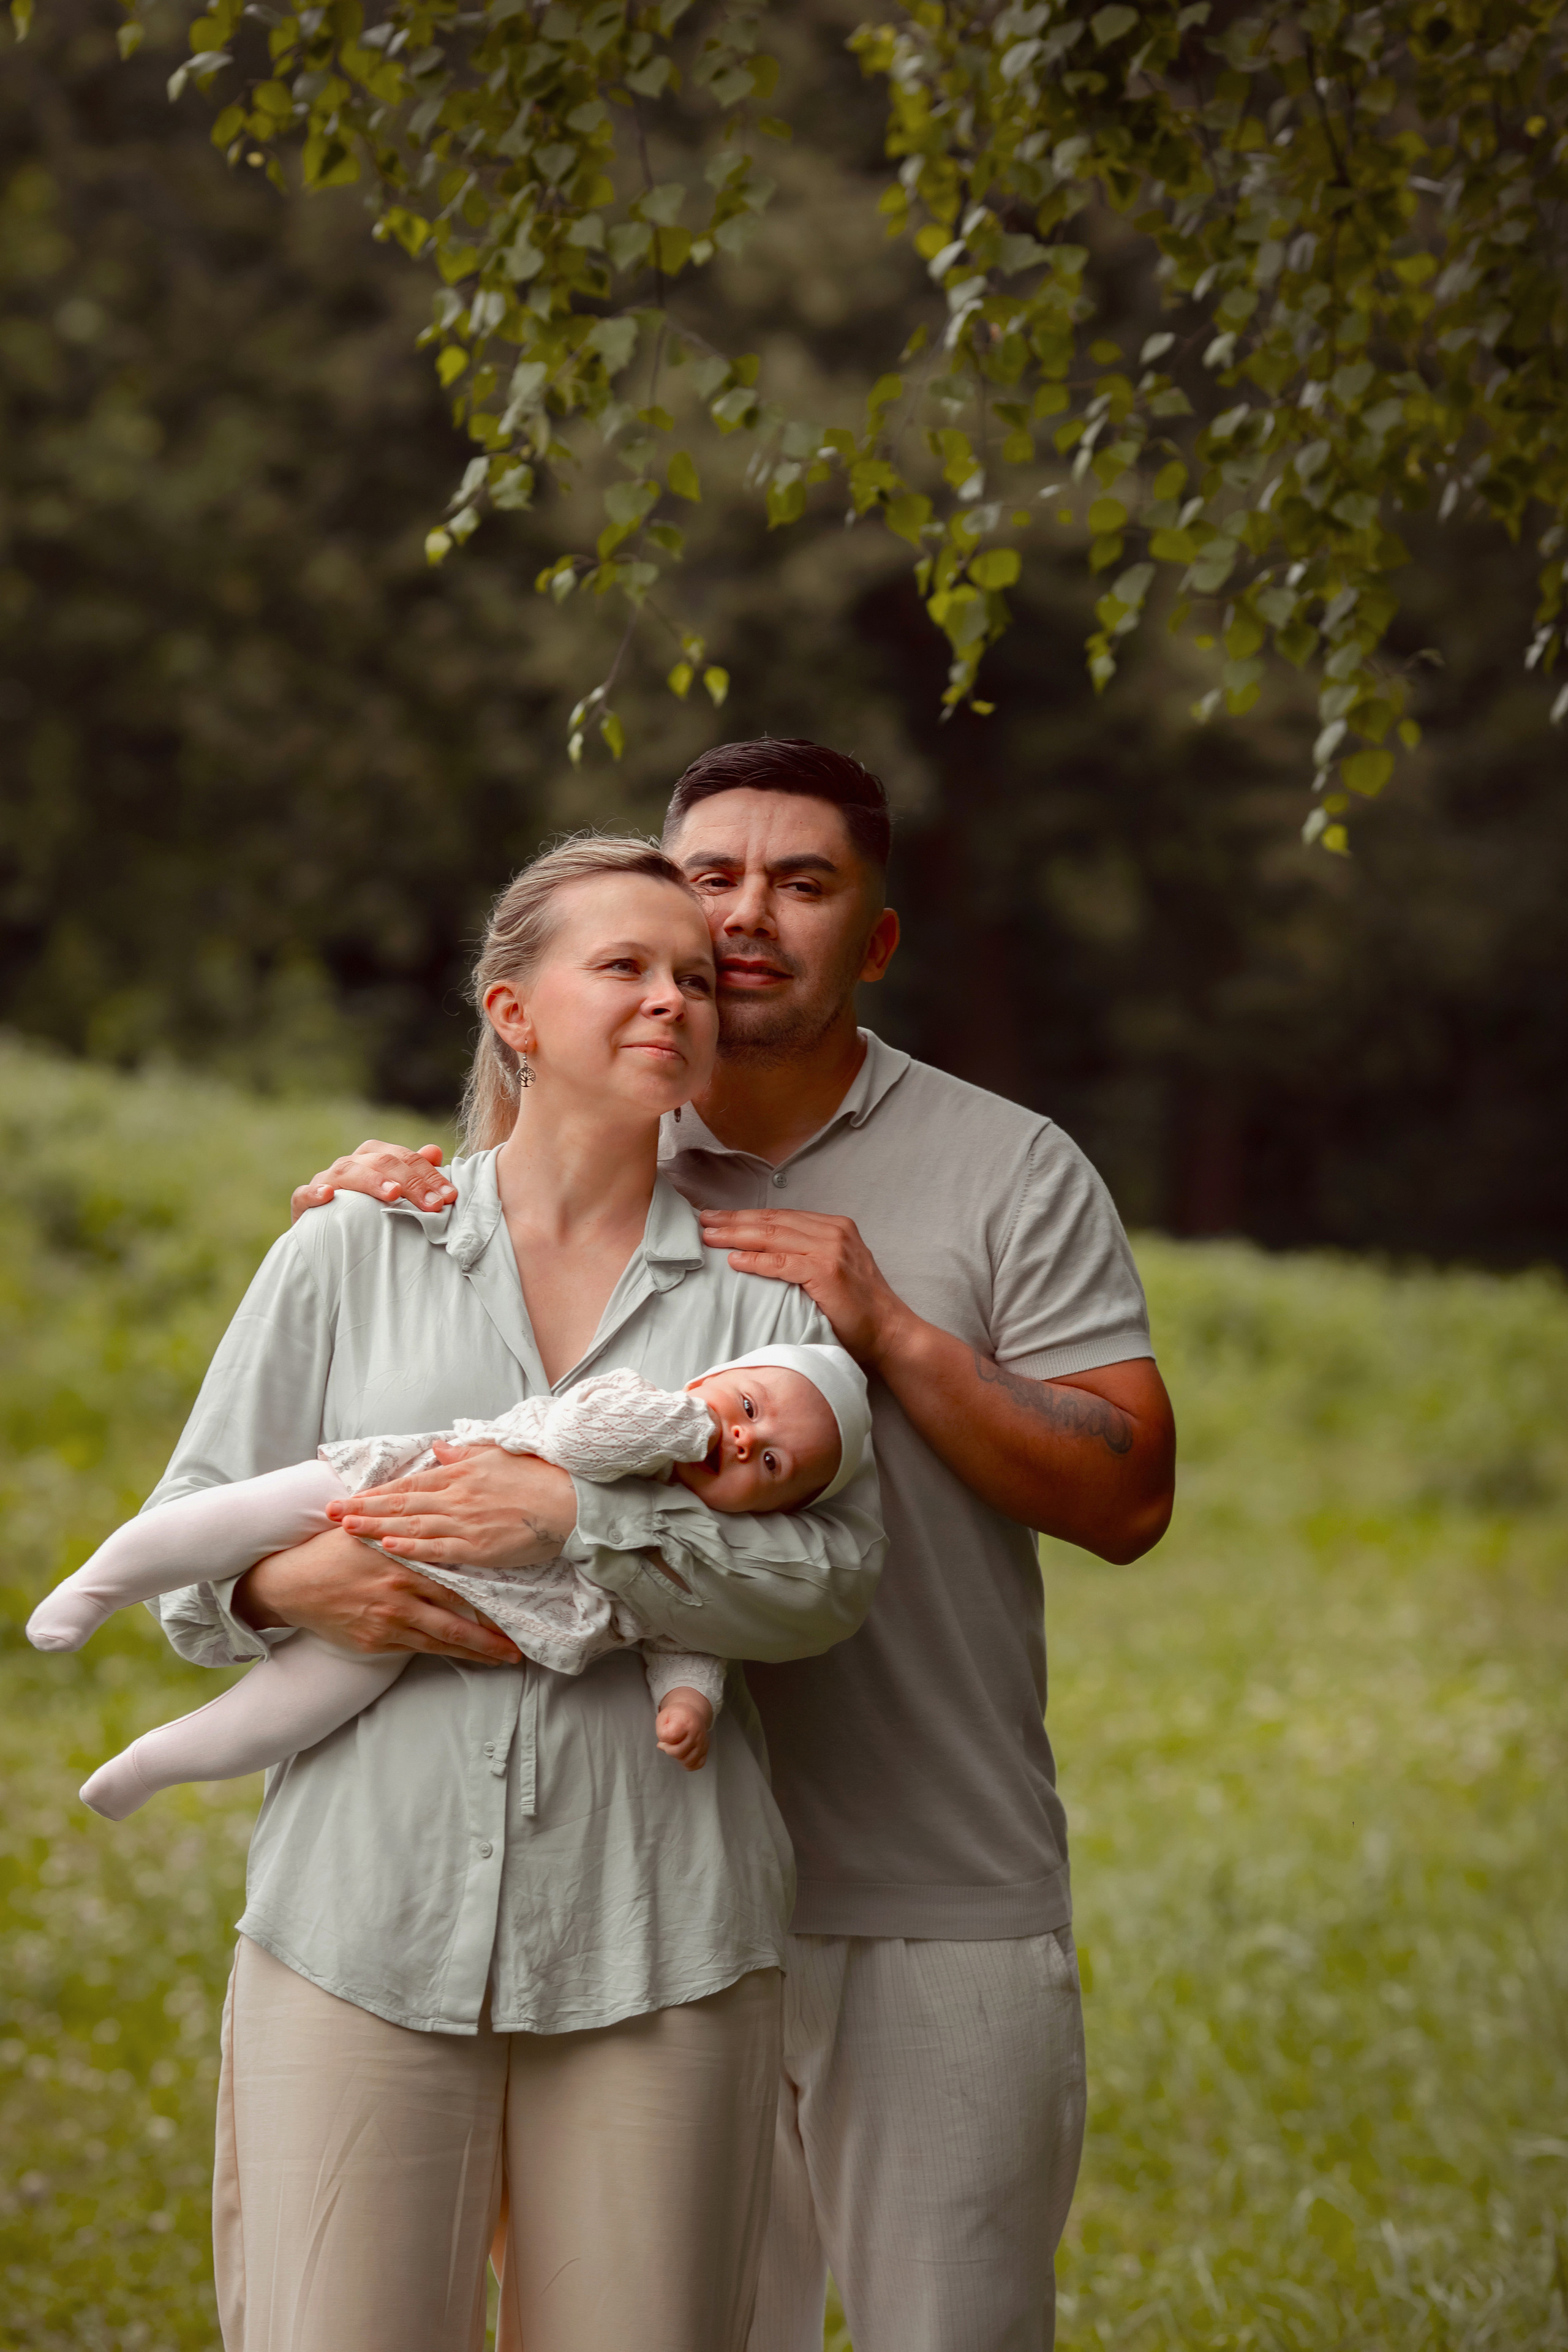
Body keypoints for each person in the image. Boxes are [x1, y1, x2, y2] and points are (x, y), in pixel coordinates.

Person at [288, 742, 1177, 2352]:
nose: (751, 918)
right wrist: (371, 1198)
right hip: (632, 1884)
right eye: (713, 879)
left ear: (877, 939)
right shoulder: (580, 1138)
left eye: (807, 882)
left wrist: (891, 1331)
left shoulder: (1008, 1165)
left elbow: (1127, 1500)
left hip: (928, 1881)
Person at [134, 832, 885, 2352]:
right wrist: (296, 1582)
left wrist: (569, 1525)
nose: (671, 998)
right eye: (622, 966)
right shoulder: (350, 1248)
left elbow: (826, 1585)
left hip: (656, 1930)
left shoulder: (758, 1292)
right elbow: (187, 1556)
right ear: (513, 1012)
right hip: (359, 1920)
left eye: (691, 977)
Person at [31, 1345, 869, 1812]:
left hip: (426, 1613)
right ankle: (101, 1584)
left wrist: (688, 1700)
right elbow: (584, 1445)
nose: (739, 1441)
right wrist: (690, 1423)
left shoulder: (691, 1550)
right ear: (707, 1381)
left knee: (292, 1711)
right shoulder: (638, 1410)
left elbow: (688, 1635)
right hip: (391, 1490)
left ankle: (153, 1765)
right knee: (242, 1515)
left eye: (769, 1463)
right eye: (747, 1406)